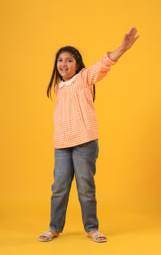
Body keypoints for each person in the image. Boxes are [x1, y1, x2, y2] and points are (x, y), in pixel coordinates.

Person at [39, 27, 139, 243]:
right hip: (62, 144)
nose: (63, 64)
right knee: (59, 187)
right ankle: (54, 228)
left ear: (78, 64)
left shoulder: (85, 78)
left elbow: (104, 64)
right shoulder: (58, 88)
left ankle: (92, 228)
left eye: (69, 60)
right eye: (60, 60)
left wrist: (122, 48)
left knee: (85, 187)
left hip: (85, 142)